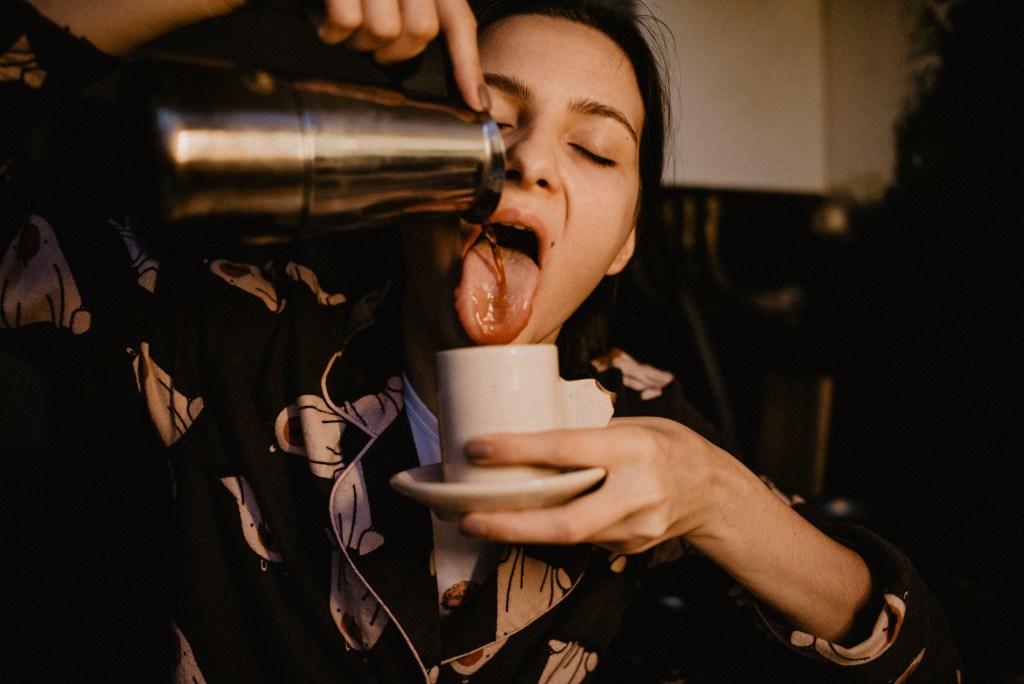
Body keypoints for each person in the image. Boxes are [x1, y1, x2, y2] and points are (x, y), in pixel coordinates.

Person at [0, 0, 961, 681]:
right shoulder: (239, 335)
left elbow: (920, 664)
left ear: (624, 242)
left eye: (594, 148)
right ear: (403, 174)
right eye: (489, 122)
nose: (531, 161)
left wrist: (712, 495)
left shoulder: (648, 424)